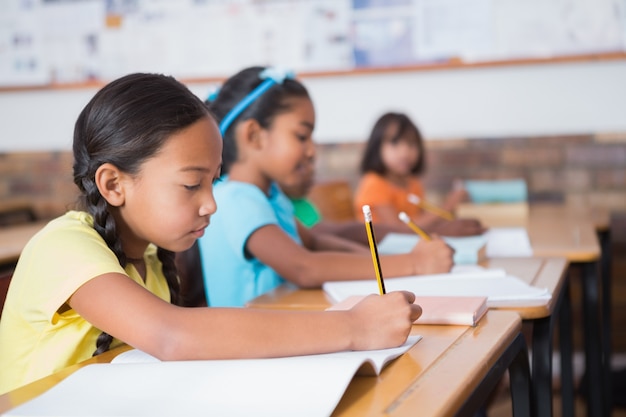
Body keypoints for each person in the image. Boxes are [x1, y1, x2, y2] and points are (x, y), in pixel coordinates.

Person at [0, 73, 422, 395]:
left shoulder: (149, 260)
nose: (211, 204)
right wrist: (352, 328)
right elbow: (172, 334)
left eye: (213, 182)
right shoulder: (64, 247)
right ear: (113, 185)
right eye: (191, 185)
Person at [199, 66, 453, 308]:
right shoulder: (235, 198)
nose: (312, 150)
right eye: (301, 136)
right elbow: (303, 267)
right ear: (254, 135)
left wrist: (387, 263)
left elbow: (317, 242)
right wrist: (413, 263)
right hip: (253, 344)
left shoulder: (271, 196)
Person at [353, 112, 485, 236]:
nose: (405, 152)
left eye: (411, 144)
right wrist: (448, 206)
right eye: (394, 143)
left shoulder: (413, 183)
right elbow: (398, 230)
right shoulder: (373, 184)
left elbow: (423, 221)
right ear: (376, 147)